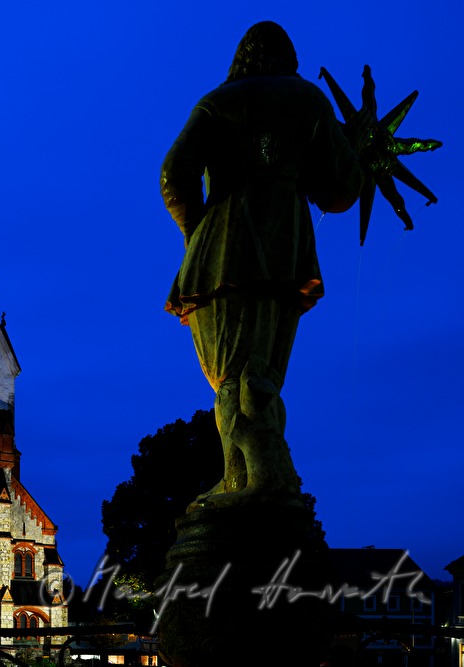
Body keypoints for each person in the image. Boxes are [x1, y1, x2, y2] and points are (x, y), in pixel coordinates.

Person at [161, 21, 363, 505]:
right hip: (284, 250)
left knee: (229, 374)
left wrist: (197, 237)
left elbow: (174, 174)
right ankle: (244, 479)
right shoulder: (309, 101)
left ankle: (261, 478)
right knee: (261, 370)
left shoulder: (217, 101)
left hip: (220, 250)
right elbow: (340, 190)